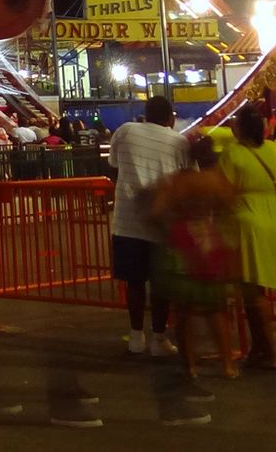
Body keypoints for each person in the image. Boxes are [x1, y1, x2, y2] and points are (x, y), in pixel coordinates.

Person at [150, 135, 240, 380]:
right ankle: (227, 365)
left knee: (184, 312)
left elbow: (156, 212)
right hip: (209, 241)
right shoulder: (216, 182)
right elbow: (230, 208)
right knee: (216, 309)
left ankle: (190, 366)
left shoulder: (178, 182)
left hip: (181, 243)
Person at [109, 94, 187, 356]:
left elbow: (114, 163)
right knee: (160, 283)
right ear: (170, 117)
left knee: (134, 283)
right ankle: (159, 338)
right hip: (161, 222)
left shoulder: (126, 131)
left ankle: (135, 336)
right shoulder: (179, 142)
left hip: (127, 220)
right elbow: (189, 177)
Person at [214, 105, 276, 370]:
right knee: (259, 289)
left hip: (245, 220)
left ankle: (270, 354)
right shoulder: (274, 149)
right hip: (272, 217)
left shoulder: (232, 154)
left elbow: (222, 190)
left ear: (241, 128)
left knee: (253, 293)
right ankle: (259, 349)